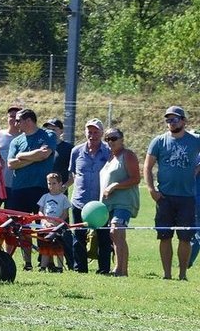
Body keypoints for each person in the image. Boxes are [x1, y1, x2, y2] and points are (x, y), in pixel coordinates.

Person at [144, 105, 200, 280]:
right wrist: (152, 190)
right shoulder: (159, 141)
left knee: (185, 238)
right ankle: (167, 274)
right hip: (165, 197)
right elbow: (147, 166)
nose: (170, 122)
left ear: (183, 121)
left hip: (187, 197)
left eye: (174, 119)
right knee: (164, 236)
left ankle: (182, 274)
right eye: (168, 120)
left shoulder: (195, 140)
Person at [7, 108, 57, 270]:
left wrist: (22, 156)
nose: (15, 123)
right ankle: (27, 262)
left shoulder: (47, 135)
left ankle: (46, 263)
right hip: (19, 189)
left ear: (28, 121)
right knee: (23, 228)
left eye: (18, 120)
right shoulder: (16, 141)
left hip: (40, 188)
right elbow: (11, 164)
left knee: (43, 226)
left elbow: (45, 155)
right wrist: (32, 158)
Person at [68, 118, 111, 273]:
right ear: (85, 132)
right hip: (79, 201)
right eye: (89, 132)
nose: (92, 135)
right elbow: (73, 174)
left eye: (96, 132)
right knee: (78, 236)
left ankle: (104, 269)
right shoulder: (76, 151)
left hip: (100, 204)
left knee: (103, 237)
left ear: (101, 133)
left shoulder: (108, 151)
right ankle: (80, 268)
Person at [100, 129, 140, 277]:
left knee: (116, 231)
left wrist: (114, 186)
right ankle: (122, 270)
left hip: (124, 202)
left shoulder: (127, 155)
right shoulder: (110, 158)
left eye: (114, 138)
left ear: (122, 139)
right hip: (109, 204)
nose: (110, 141)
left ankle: (119, 269)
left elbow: (136, 178)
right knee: (115, 235)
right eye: (107, 139)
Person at [35, 172, 72, 272]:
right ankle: (43, 267)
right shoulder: (45, 197)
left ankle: (60, 267)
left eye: (54, 183)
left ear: (60, 184)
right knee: (45, 248)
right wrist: (44, 221)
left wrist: (57, 223)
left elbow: (65, 214)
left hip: (57, 228)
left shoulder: (63, 198)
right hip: (45, 227)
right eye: (49, 183)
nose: (51, 186)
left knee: (59, 248)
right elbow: (40, 211)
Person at [0, 104, 24, 203]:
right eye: (11, 116)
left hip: (15, 186)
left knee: (12, 216)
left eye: (16, 117)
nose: (13, 119)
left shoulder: (26, 138)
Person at [44, 117, 74, 188]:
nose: (50, 132)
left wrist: (64, 187)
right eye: (48, 130)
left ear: (61, 131)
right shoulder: (41, 147)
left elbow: (74, 173)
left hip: (60, 191)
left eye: (53, 130)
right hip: (42, 189)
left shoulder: (69, 148)